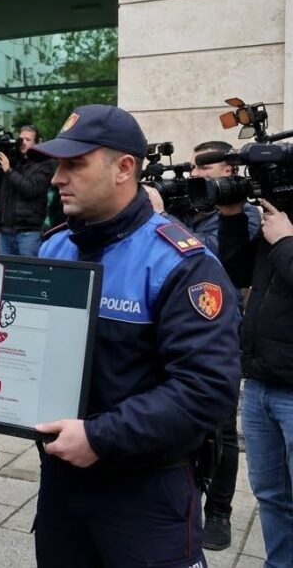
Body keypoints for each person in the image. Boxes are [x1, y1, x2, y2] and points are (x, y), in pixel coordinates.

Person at [30, 105, 241, 567]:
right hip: (62, 489)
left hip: (146, 495)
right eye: (58, 165)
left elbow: (207, 389)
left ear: (124, 167)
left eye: (74, 164)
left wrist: (100, 437)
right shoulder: (55, 246)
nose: (57, 179)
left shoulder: (182, 263)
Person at [167, 140, 259, 551]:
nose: (195, 174)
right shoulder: (188, 208)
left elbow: (209, 258)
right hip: (178, 328)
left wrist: (163, 219)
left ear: (229, 171)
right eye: (193, 166)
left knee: (221, 427)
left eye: (205, 166)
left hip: (219, 329)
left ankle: (219, 510)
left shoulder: (245, 214)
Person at [217, 168, 293, 568]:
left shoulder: (283, 234)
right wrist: (232, 217)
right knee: (270, 495)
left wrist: (286, 243)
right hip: (261, 381)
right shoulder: (279, 223)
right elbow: (236, 271)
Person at [0, 125, 54, 256]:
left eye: (28, 140)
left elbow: (30, 189)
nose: (23, 142)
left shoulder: (44, 164)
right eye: (21, 139)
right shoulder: (13, 160)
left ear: (38, 142)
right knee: (5, 268)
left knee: (28, 268)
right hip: (5, 230)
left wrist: (9, 170)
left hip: (28, 231)